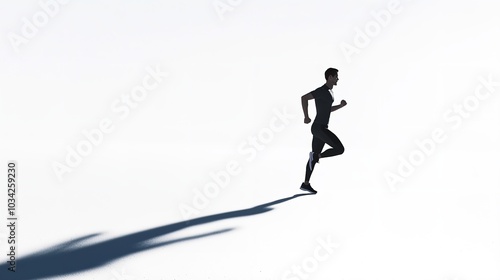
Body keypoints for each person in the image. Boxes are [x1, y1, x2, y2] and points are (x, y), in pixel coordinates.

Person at [300, 68, 347, 194]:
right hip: (318, 128)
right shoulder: (321, 90)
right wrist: (306, 116)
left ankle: (305, 184)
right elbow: (304, 98)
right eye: (336, 76)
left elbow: (328, 110)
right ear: (330, 77)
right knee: (339, 149)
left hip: (321, 128)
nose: (338, 78)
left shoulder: (330, 92)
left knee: (313, 157)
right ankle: (317, 156)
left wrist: (340, 106)